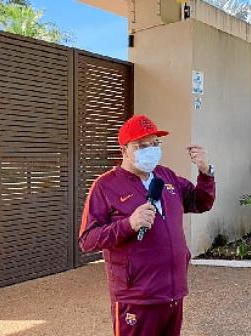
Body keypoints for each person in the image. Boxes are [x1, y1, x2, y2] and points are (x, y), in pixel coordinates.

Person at [78, 115, 216, 336]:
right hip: (137, 299)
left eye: (154, 144)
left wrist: (205, 173)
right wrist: (128, 225)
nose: (150, 150)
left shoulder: (166, 176)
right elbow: (87, 240)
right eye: (141, 146)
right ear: (124, 150)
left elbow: (201, 203)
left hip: (172, 293)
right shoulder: (105, 186)